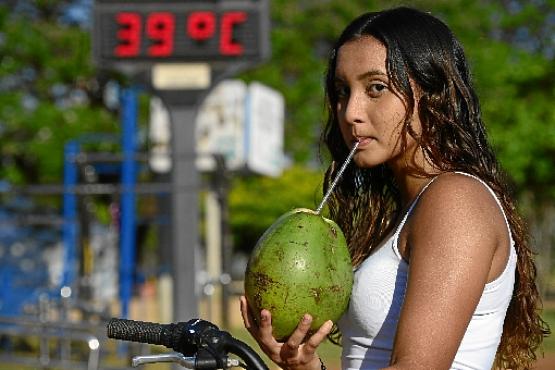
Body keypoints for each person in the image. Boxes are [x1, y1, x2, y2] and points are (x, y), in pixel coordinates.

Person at [240, 6, 549, 370]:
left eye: (376, 88)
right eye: (342, 90)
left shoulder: (455, 201)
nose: (350, 111)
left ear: (432, 92)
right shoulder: (404, 210)